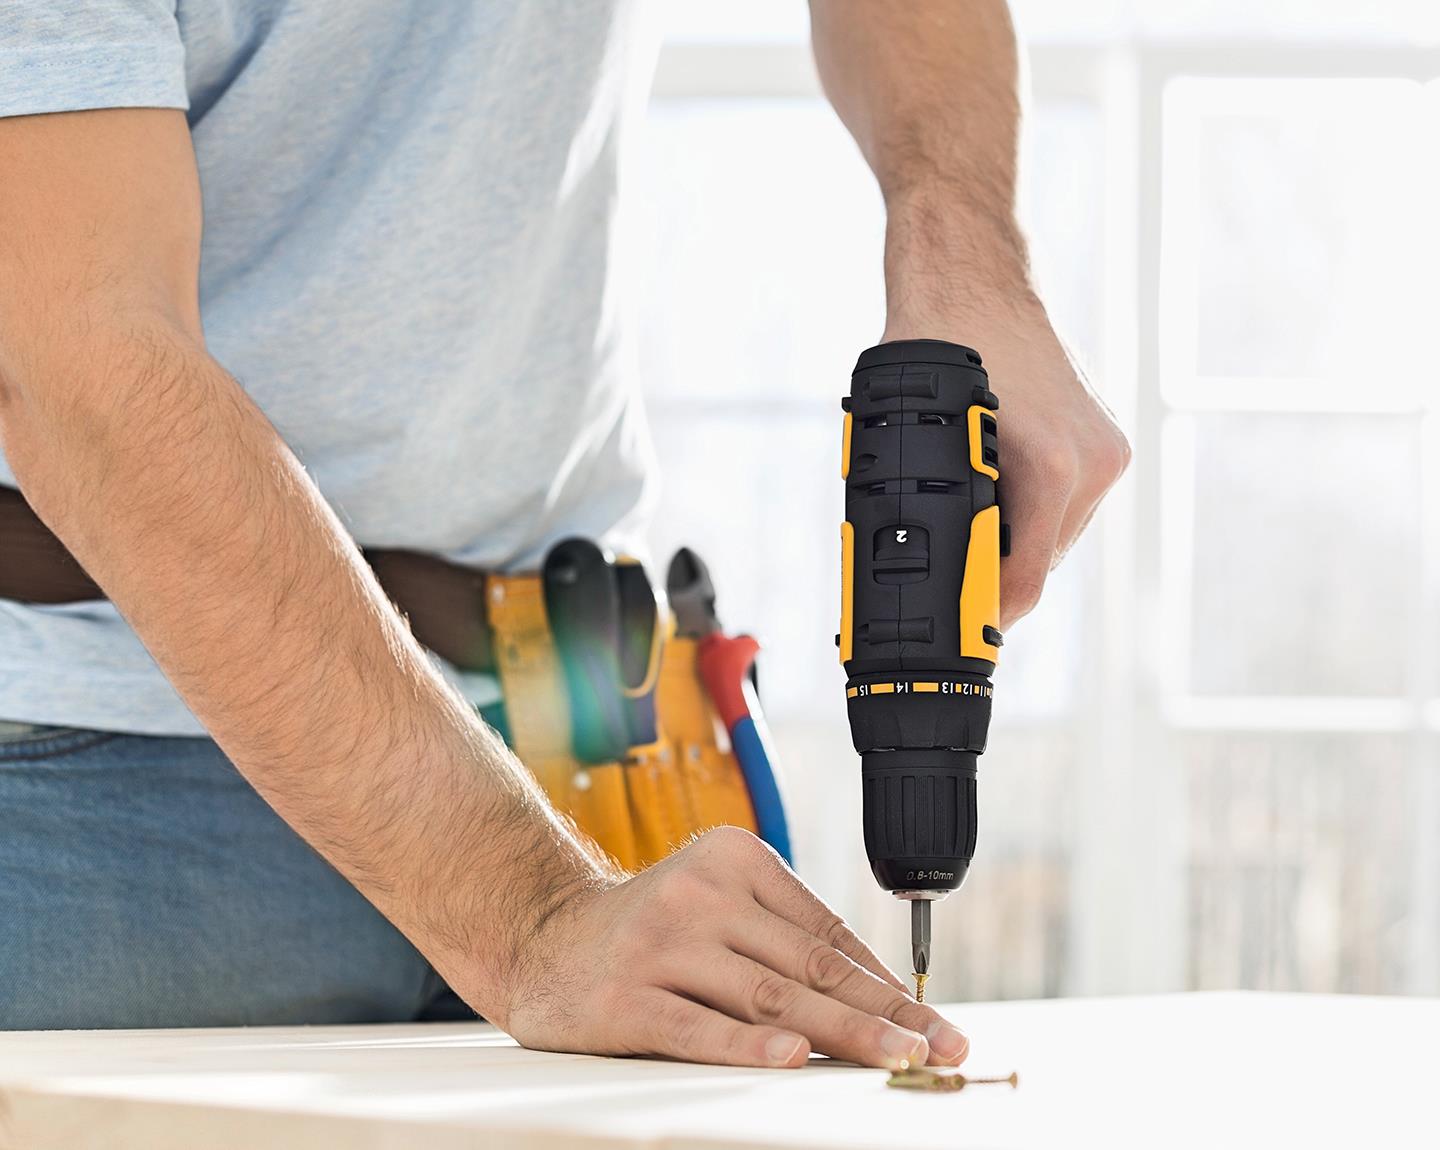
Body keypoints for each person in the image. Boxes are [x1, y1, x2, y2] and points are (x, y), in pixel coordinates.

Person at [0, 1, 1128, 1070]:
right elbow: (83, 364)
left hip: (584, 723)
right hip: (107, 766)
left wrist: (957, 241)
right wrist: (528, 907)